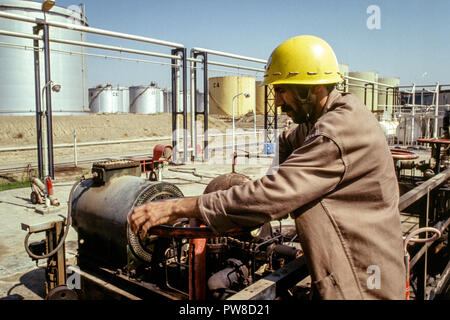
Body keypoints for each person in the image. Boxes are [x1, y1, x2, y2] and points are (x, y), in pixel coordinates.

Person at [129, 35, 406, 300]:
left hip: (360, 282)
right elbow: (287, 141)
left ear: (313, 89)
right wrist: (283, 183)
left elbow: (271, 194)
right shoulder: (325, 118)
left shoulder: (335, 132)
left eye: (282, 90)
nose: (277, 100)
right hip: (352, 269)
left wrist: (177, 206)